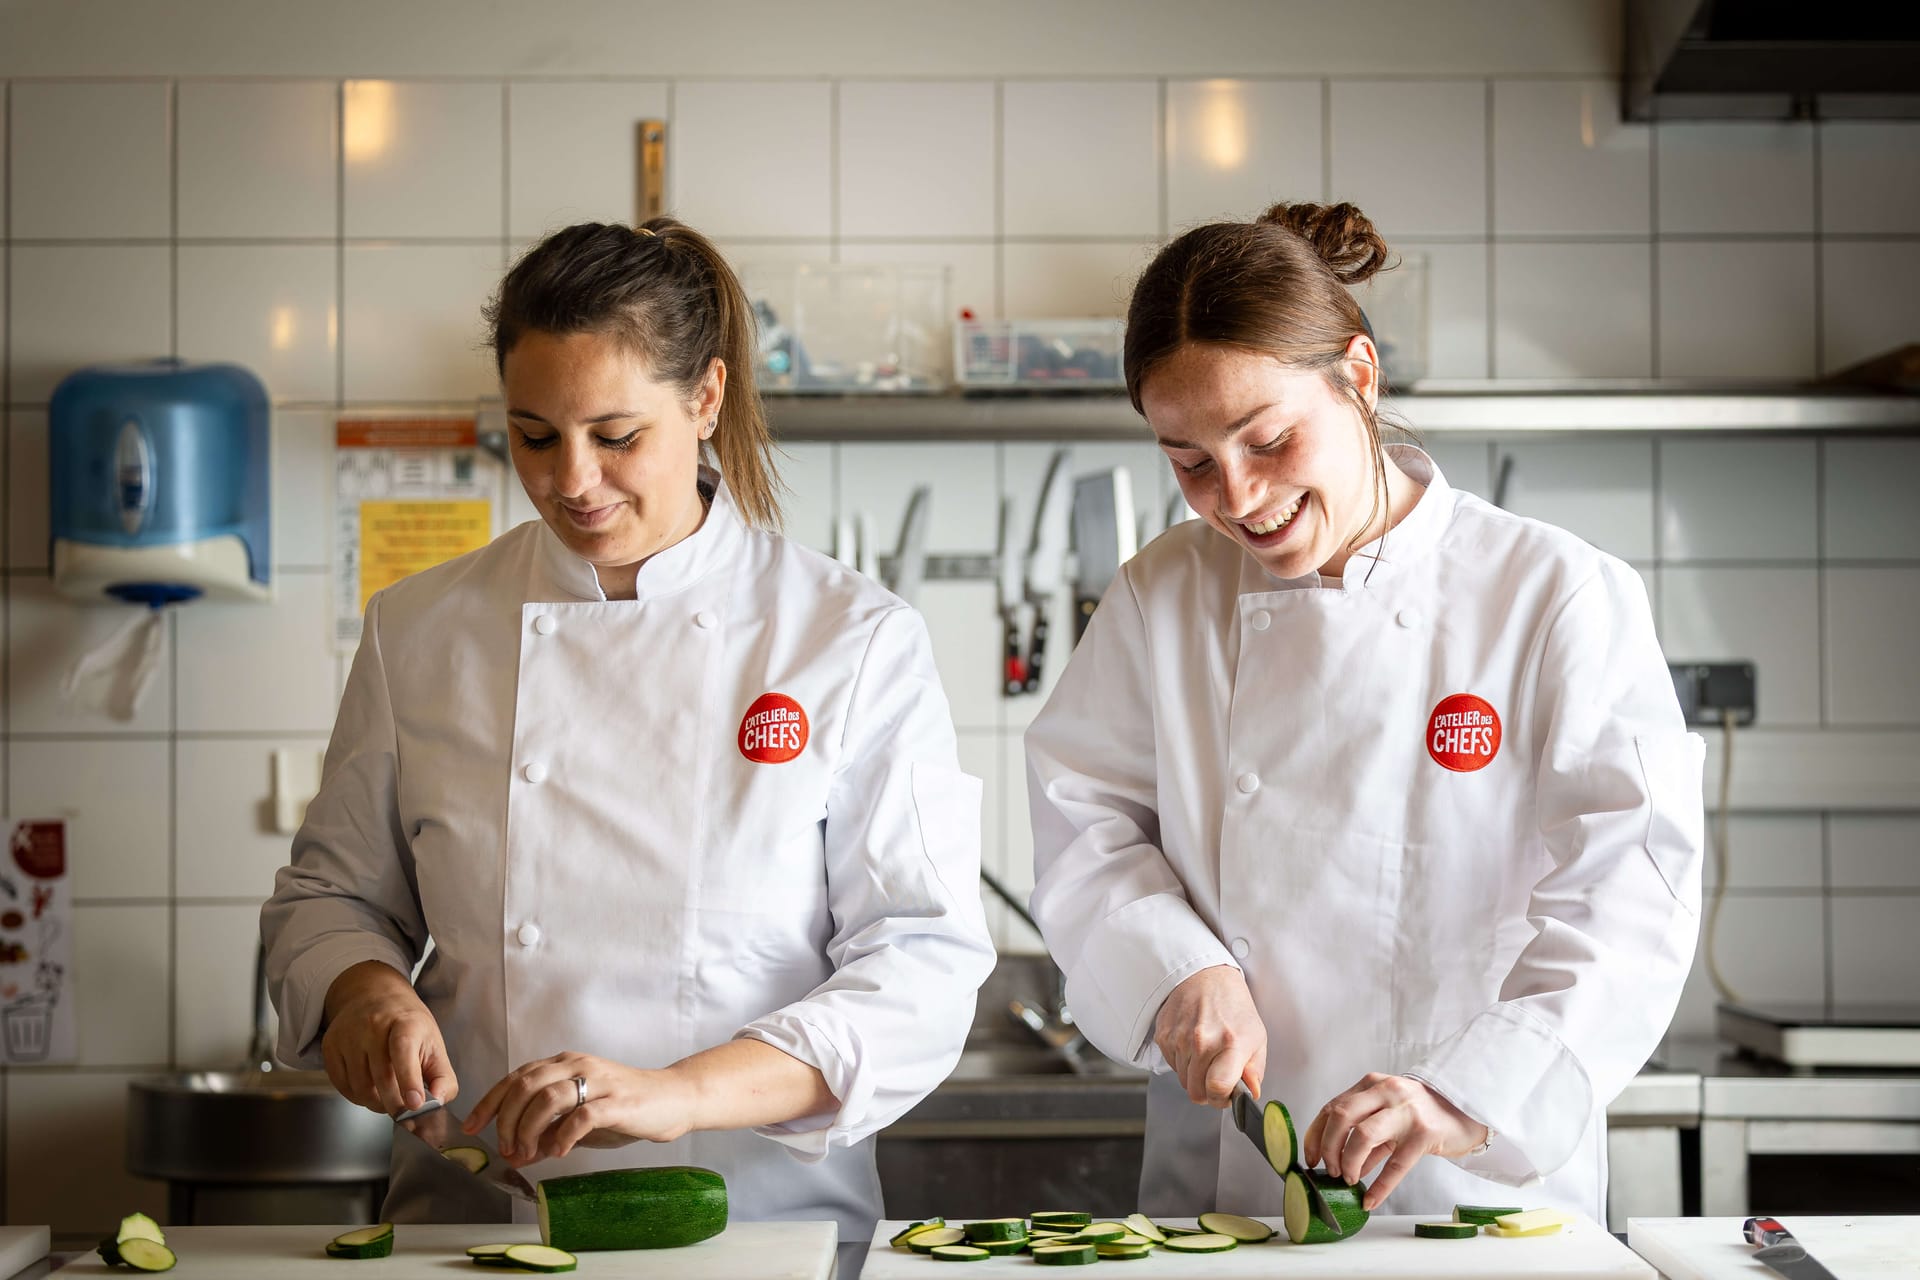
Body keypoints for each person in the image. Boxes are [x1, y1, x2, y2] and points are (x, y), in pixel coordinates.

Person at [262, 219, 996, 1264]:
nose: (572, 479)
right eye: (532, 434)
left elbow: (919, 963)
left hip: (753, 1229)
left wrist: (678, 1092)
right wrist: (364, 991)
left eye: (615, 435)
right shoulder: (419, 630)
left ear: (705, 398)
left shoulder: (849, 637)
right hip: (477, 1225)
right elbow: (331, 899)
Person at [1024, 201, 1703, 1223]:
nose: (1239, 495)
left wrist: (1469, 1090)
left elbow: (1631, 891)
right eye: (1189, 460)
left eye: (1268, 438)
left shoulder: (1550, 592)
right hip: (1235, 1185)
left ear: (1361, 375)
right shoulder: (1161, 593)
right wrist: (1178, 968)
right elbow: (1084, 821)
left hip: (1468, 1185)